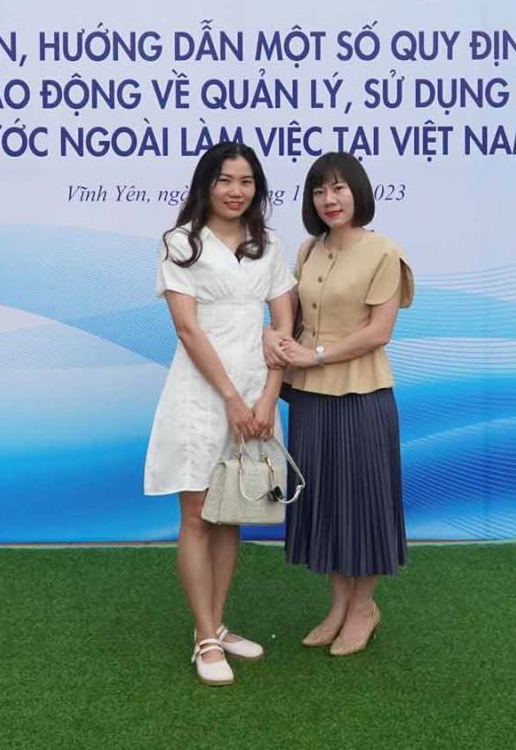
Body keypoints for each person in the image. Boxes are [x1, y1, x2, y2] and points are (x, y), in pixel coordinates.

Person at [143, 142, 297, 686]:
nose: (236, 191)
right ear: (206, 184)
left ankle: (216, 624)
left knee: (232, 509)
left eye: (246, 181)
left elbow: (283, 326)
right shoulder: (180, 242)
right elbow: (187, 329)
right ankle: (205, 639)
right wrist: (231, 399)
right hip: (201, 394)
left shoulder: (269, 244)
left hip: (256, 392)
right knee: (197, 514)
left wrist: (266, 397)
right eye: (225, 180)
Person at [268, 151, 413, 657]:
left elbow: (379, 331)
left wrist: (316, 355)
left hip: (362, 396)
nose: (328, 200)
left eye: (338, 188)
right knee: (325, 502)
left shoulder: (384, 252)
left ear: (358, 192)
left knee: (363, 503)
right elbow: (294, 316)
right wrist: (277, 341)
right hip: (309, 397)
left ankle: (364, 608)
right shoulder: (308, 249)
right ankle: (337, 606)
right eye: (318, 191)